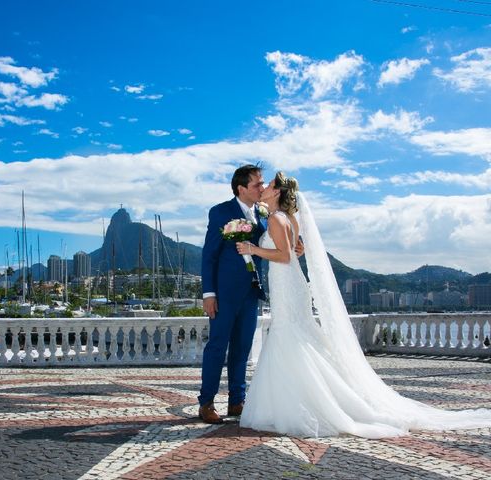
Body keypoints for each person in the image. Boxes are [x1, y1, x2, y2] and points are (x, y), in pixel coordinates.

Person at [236, 171, 491, 438]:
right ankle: (314, 396)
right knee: (297, 336)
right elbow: (297, 249)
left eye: (269, 185)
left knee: (289, 335)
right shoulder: (288, 219)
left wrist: (253, 250)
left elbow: (286, 256)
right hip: (292, 285)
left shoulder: (276, 219)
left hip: (286, 284)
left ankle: (300, 404)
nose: (263, 188)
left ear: (277, 192)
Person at [198, 164, 267, 424]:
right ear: (241, 189)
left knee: (243, 348)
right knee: (217, 347)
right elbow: (209, 256)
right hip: (224, 294)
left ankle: (237, 401)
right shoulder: (220, 212)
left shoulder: (263, 213)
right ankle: (206, 403)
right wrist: (209, 294)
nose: (261, 188)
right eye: (257, 185)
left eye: (262, 183)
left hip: (251, 293)